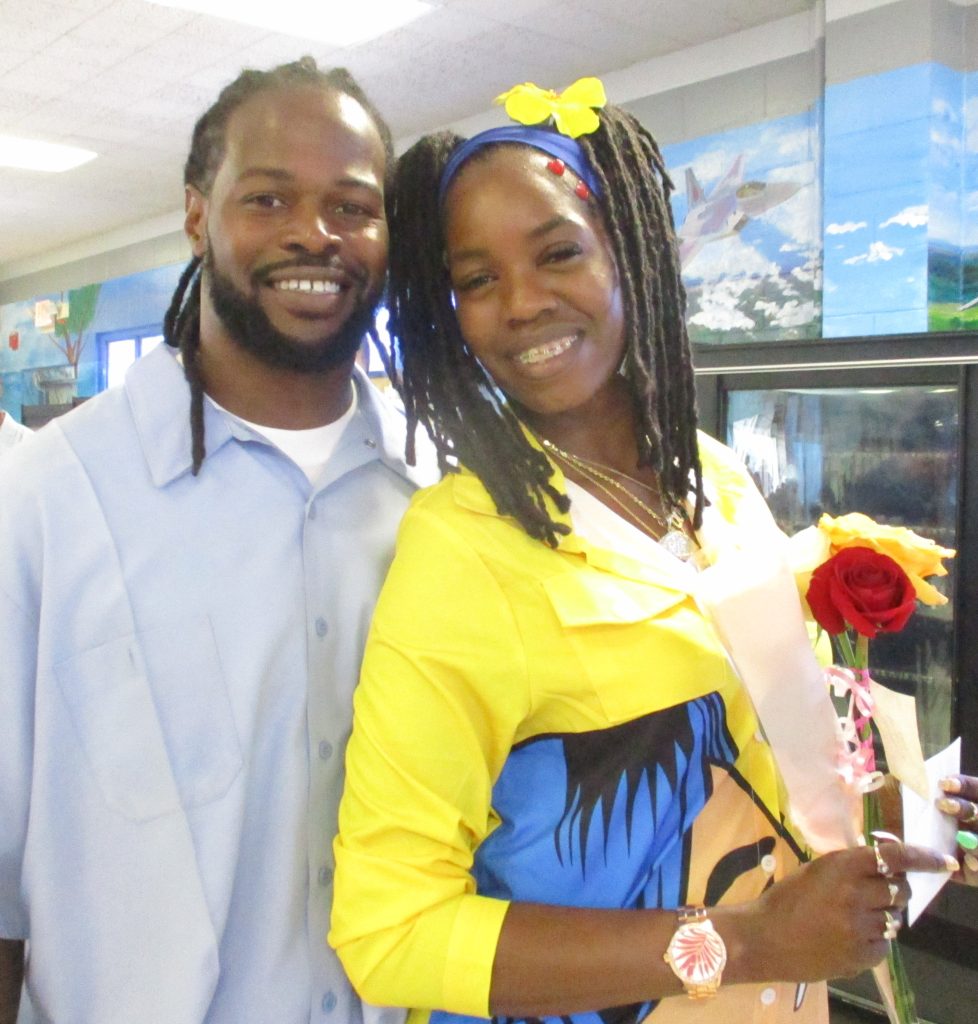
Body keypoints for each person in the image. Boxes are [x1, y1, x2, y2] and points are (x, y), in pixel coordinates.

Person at [329, 80, 960, 1024]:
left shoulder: (716, 481)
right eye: (477, 280)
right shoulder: (464, 549)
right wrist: (744, 942)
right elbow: (390, 932)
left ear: (629, 254)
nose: (523, 304)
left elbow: (775, 749)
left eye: (557, 254)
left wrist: (902, 809)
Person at [0, 58, 434, 1024]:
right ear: (197, 215)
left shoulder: (440, 498)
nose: (312, 235)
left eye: (351, 207)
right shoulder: (47, 500)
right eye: (267, 196)